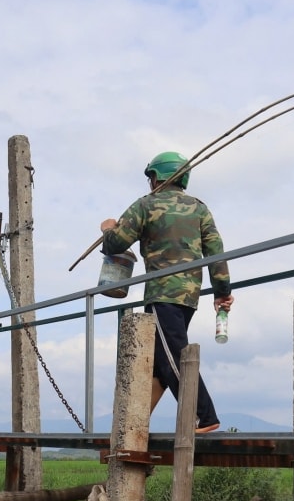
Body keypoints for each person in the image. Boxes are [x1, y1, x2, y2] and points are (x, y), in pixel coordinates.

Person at [99, 151, 234, 433]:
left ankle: (206, 416)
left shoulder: (146, 205)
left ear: (155, 177)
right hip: (189, 296)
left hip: (162, 293)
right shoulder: (199, 208)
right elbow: (216, 254)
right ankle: (132, 426)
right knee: (161, 362)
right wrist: (222, 292)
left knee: (173, 355)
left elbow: (115, 245)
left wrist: (108, 228)